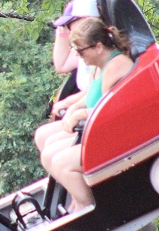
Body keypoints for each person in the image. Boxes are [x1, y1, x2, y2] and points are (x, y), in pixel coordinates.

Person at [37, 17, 134, 209]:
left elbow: (109, 112)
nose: (78, 55)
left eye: (81, 50)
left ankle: (89, 208)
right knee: (48, 148)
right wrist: (73, 108)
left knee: (60, 162)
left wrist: (81, 115)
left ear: (98, 46)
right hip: (99, 131)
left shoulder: (117, 66)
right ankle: (78, 198)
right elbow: (90, 95)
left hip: (116, 137)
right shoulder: (98, 67)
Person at [35, 0, 101, 153]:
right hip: (88, 108)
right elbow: (61, 64)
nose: (69, 29)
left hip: (96, 115)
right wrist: (62, 31)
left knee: (51, 144)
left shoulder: (99, 49)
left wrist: (72, 106)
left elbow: (98, 88)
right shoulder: (85, 49)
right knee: (42, 136)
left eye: (71, 23)